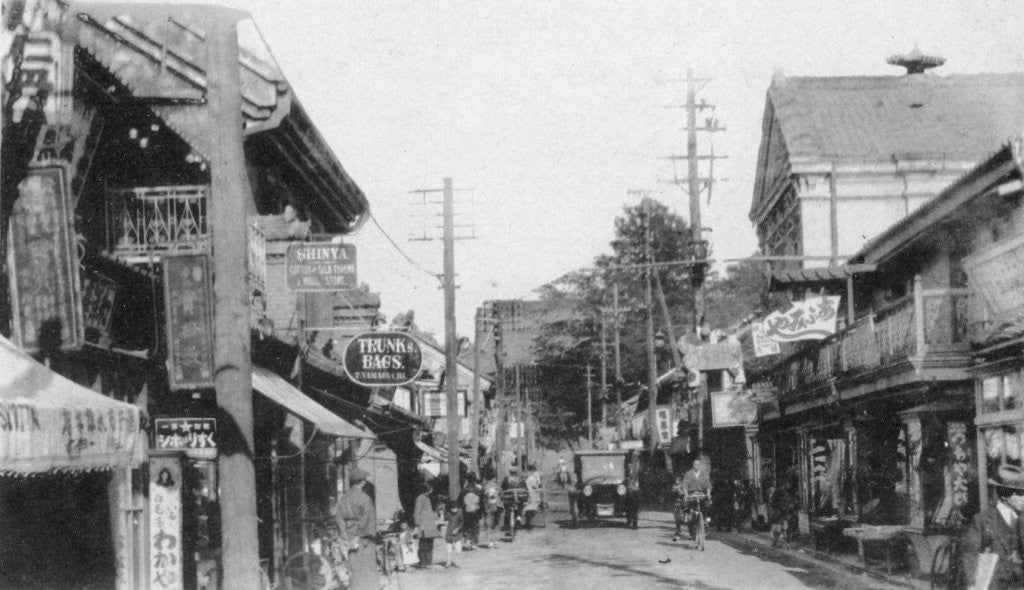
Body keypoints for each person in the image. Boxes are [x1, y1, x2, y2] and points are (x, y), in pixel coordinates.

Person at [960, 465, 1024, 589]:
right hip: (994, 585)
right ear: (1006, 495)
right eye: (1021, 494)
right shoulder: (983, 520)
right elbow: (970, 553)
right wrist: (972, 584)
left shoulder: (1021, 520)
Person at [336, 468, 378, 590]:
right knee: (367, 568)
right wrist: (362, 537)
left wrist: (346, 536)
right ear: (362, 482)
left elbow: (339, 519)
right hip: (363, 538)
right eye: (364, 480)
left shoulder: (343, 498)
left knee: (353, 568)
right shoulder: (365, 498)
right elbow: (368, 520)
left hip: (349, 537)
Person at [680, 458, 712, 543]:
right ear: (693, 465)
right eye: (695, 464)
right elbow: (685, 486)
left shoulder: (703, 474)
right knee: (690, 512)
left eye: (698, 464)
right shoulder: (688, 474)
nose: (697, 466)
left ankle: (705, 520)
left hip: (701, 494)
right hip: (691, 494)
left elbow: (708, 485)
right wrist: (686, 494)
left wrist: (708, 493)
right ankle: (691, 527)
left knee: (707, 504)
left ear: (700, 465)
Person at [413, 482, 441, 568]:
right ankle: (423, 562)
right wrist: (417, 524)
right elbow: (417, 511)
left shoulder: (427, 498)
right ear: (427, 490)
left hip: (429, 523)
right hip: (424, 523)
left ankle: (428, 561)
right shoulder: (420, 498)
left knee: (429, 541)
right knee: (423, 543)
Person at [459, 474, 483, 549]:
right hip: (476, 511)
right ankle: (474, 543)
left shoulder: (463, 490)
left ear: (467, 480)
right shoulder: (478, 490)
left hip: (466, 511)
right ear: (475, 480)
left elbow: (459, 502)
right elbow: (481, 501)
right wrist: (481, 511)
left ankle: (467, 541)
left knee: (466, 526)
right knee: (475, 526)